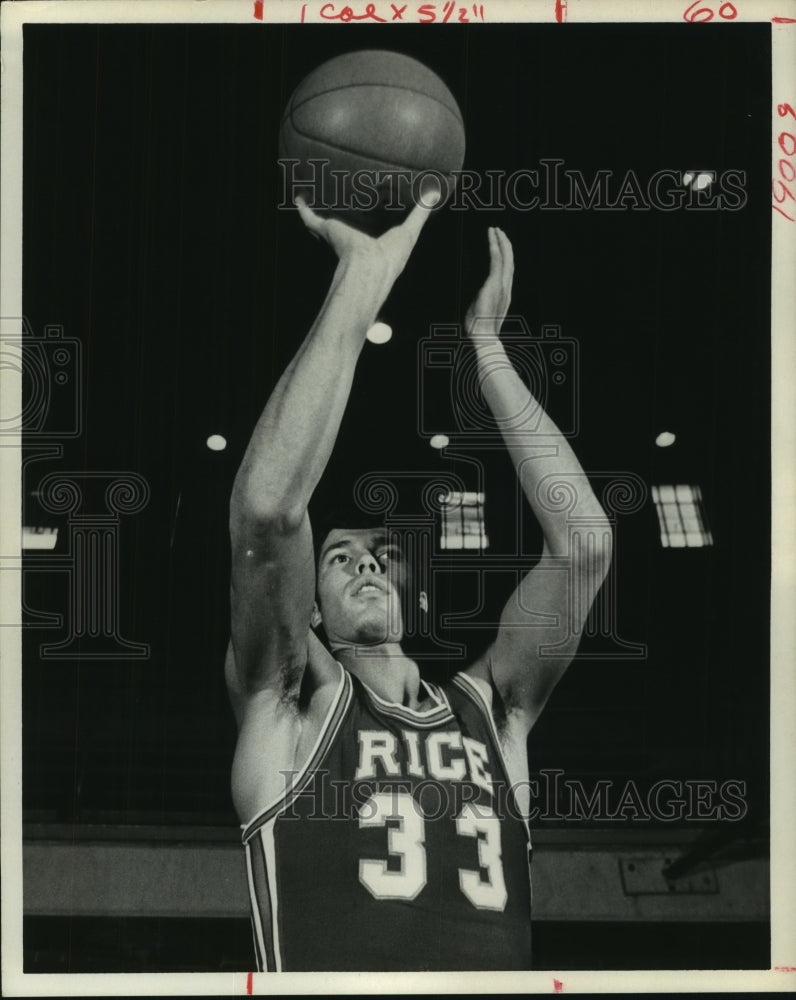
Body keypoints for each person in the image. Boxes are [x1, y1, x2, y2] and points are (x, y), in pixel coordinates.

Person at [225, 184, 612, 972]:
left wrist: (489, 350)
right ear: (306, 614)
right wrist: (361, 282)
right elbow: (268, 514)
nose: (367, 559)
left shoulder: (494, 713)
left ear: (415, 595)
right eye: (338, 558)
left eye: (380, 554)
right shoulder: (288, 708)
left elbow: (584, 545)